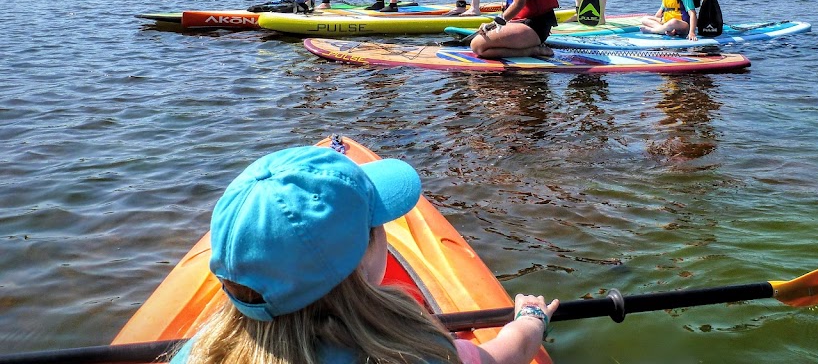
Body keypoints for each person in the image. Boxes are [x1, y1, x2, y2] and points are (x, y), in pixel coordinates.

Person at [169, 144, 557, 364]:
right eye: (377, 226)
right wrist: (530, 322)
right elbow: (504, 355)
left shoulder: (194, 355)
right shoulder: (421, 356)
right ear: (363, 259)